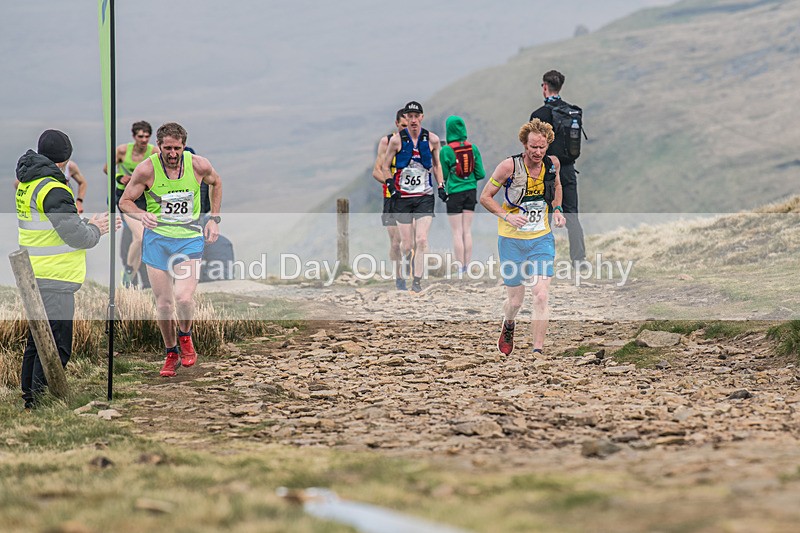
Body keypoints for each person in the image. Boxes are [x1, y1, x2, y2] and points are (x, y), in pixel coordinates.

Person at [15, 129, 116, 408]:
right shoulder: (54, 188)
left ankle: (31, 397)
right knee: (56, 345)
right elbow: (75, 236)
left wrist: (86, 224)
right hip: (55, 276)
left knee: (37, 340)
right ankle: (42, 401)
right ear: (65, 160)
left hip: (34, 272)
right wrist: (96, 229)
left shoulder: (28, 183)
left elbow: (52, 227)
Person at [119, 122, 222, 377]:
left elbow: (216, 182)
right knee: (164, 305)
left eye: (177, 148)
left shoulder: (198, 165)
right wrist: (141, 214)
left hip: (188, 238)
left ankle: (185, 336)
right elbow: (125, 201)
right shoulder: (147, 169)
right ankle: (170, 352)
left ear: (184, 146)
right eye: (167, 148)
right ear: (159, 146)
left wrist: (214, 219)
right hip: (157, 241)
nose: (172, 154)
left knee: (183, 298)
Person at [479, 119, 566, 356]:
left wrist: (558, 209)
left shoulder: (552, 165)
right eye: (533, 147)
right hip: (511, 240)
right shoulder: (509, 166)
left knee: (541, 294)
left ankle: (537, 351)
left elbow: (557, 187)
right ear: (524, 145)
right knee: (515, 302)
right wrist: (506, 216)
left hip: (541, 239)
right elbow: (485, 197)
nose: (537, 152)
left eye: (542, 147)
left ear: (548, 145)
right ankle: (509, 323)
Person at [381, 101, 445, 293]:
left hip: (424, 196)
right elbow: (385, 166)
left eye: (417, 116)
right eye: (410, 116)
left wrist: (441, 185)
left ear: (422, 117)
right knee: (406, 245)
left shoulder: (432, 139)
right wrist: (390, 184)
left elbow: (437, 165)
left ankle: (416, 281)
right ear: (406, 118)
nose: (414, 120)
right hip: (403, 197)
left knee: (422, 240)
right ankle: (407, 262)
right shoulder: (396, 141)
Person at [529, 70, 586, 265]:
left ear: (545, 86)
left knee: (542, 216)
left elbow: (532, 147)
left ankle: (541, 259)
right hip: (568, 170)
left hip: (546, 171)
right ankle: (579, 260)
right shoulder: (572, 112)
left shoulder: (539, 115)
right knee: (572, 215)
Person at [103, 121, 159, 287]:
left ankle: (130, 277)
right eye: (140, 136)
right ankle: (129, 271)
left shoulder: (154, 152)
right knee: (141, 237)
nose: (144, 140)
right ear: (134, 136)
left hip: (144, 197)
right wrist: (120, 177)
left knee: (141, 238)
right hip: (125, 197)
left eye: (147, 136)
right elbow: (107, 168)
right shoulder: (122, 151)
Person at [440, 115, 486, 275]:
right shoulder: (473, 148)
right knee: (467, 230)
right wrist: (469, 180)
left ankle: (460, 268)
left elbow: (443, 175)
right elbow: (481, 173)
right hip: (471, 192)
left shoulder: (446, 150)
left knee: (457, 232)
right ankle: (467, 266)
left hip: (454, 193)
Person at [372, 109, 411, 290]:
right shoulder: (386, 142)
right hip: (391, 197)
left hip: (412, 197)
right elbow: (376, 171)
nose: (406, 129)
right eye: (403, 126)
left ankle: (410, 262)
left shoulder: (419, 142)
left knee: (409, 242)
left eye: (409, 126)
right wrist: (391, 184)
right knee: (395, 242)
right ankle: (399, 278)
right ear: (396, 124)